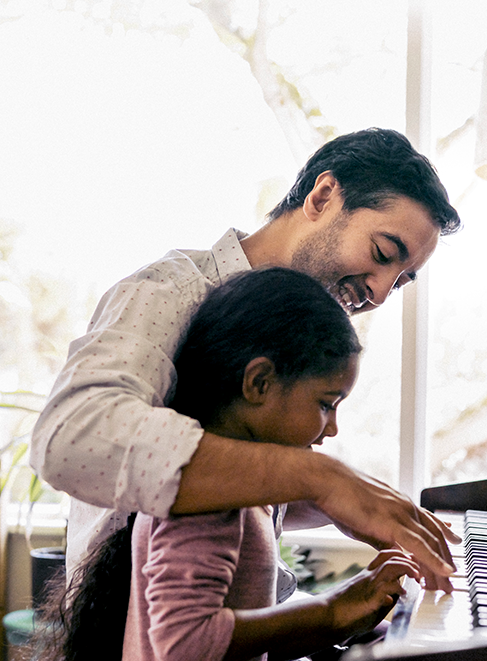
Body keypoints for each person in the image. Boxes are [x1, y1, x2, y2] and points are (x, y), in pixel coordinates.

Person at [30, 127, 463, 588]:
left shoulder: (290, 329)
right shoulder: (170, 292)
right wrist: (321, 478)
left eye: (400, 281)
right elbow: (72, 440)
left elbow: (229, 488)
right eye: (382, 253)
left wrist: (349, 501)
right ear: (322, 197)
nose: (378, 293)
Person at [33, 268, 420, 661]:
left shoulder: (237, 488)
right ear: (259, 382)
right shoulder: (211, 504)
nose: (332, 427)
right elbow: (184, 642)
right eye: (325, 403)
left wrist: (357, 515)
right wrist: (331, 611)